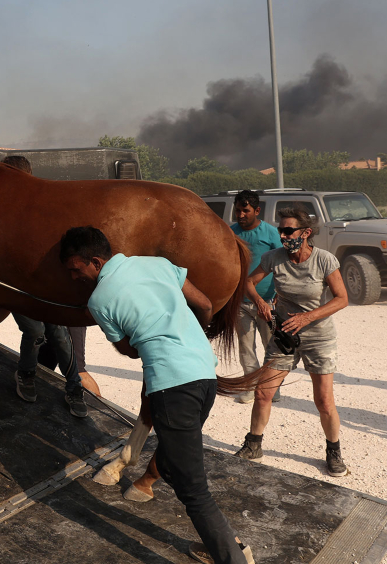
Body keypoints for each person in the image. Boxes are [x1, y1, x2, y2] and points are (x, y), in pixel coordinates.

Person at [60, 226, 252, 564]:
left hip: (170, 387)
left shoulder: (98, 300)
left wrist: (150, 337)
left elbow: (129, 350)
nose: (74, 277)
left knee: (194, 491)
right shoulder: (159, 264)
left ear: (95, 261)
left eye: (76, 269)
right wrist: (190, 336)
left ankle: (234, 556)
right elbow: (205, 304)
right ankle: (223, 541)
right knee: (177, 462)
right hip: (204, 377)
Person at [234, 206, 350, 477]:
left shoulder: (324, 260)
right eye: (280, 230)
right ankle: (253, 445)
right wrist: (261, 302)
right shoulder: (273, 258)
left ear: (306, 233)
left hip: (318, 338)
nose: (283, 236)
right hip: (284, 336)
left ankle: (334, 452)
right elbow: (248, 283)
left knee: (323, 401)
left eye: (288, 231)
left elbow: (341, 298)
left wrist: (307, 318)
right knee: (263, 393)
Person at [0, 154, 88, 418]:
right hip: (19, 287)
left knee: (61, 336)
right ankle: (26, 375)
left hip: (44, 287)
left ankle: (74, 389)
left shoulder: (43, 207)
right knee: (35, 331)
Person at [229, 190, 282, 404]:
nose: (240, 215)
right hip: (240, 302)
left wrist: (280, 293)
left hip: (268, 301)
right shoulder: (230, 233)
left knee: (271, 346)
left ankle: (272, 388)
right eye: (238, 210)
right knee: (245, 347)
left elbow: (282, 264)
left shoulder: (270, 233)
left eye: (245, 211)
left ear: (257, 211)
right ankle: (250, 388)